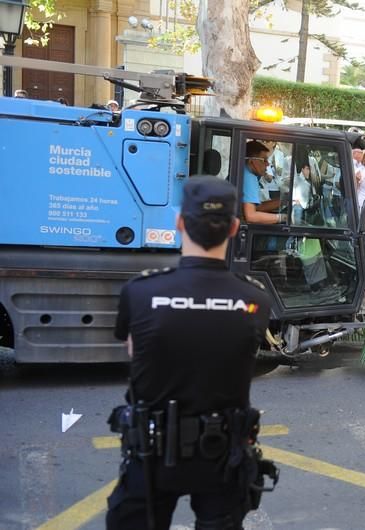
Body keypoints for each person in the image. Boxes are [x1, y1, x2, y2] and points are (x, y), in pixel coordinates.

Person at [106, 176, 277, 530]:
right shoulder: (256, 299)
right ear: (233, 227)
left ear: (180, 222)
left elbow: (134, 352)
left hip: (151, 453)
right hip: (222, 456)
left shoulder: (140, 292)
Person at [241, 141, 285, 224]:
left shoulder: (245, 172)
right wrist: (282, 218)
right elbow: (251, 216)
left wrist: (284, 201)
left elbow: (256, 207)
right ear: (251, 161)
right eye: (264, 160)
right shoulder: (248, 177)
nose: (268, 164)